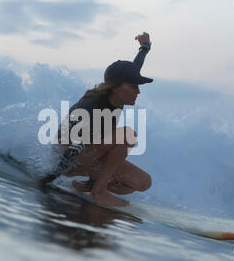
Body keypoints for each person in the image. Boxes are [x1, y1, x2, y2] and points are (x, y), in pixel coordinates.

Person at [42, 32, 154, 206]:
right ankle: (98, 192)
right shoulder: (92, 108)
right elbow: (72, 148)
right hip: (68, 158)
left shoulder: (117, 95)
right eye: (133, 86)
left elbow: (133, 68)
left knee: (141, 182)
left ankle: (83, 186)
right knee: (127, 135)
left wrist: (145, 47)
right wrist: (47, 179)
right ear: (117, 87)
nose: (138, 91)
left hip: (89, 154)